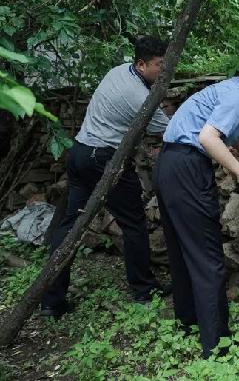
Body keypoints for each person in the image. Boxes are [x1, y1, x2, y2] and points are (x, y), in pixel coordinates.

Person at [153, 49, 239, 358]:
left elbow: (205, 128)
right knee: (208, 258)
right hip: (188, 168)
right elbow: (207, 138)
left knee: (181, 250)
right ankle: (217, 347)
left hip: (169, 163)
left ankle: (189, 321)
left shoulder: (233, 89)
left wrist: (234, 146)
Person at [41, 36, 172, 318]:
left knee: (70, 225)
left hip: (80, 152)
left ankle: (51, 301)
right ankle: (144, 290)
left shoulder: (118, 71)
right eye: (159, 65)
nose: (164, 70)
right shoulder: (138, 97)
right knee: (133, 223)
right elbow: (167, 128)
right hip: (104, 160)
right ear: (141, 64)